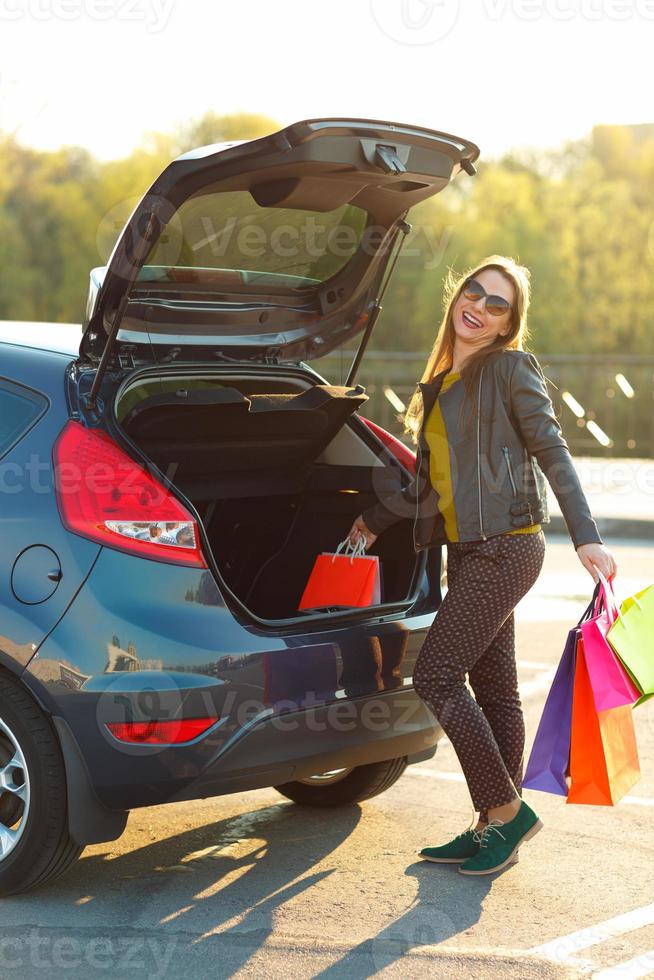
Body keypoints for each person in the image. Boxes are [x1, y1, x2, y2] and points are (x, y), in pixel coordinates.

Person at [346, 255, 618, 876]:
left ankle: (505, 810)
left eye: (498, 305)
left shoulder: (511, 371)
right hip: (468, 552)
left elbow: (553, 449)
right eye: (475, 292)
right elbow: (428, 487)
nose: (481, 307)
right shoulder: (440, 389)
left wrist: (587, 536)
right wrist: (370, 520)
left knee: (437, 676)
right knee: (495, 689)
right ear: (457, 297)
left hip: (510, 544)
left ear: (506, 326)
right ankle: (491, 823)